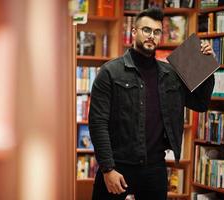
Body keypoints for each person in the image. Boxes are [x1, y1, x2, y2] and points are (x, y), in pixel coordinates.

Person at [88, 7, 215, 200]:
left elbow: (200, 103)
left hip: (155, 167)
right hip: (118, 165)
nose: (151, 36)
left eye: (157, 32)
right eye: (146, 30)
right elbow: (98, 123)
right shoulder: (110, 72)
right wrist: (107, 169)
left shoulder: (171, 73)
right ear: (134, 32)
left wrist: (207, 66)